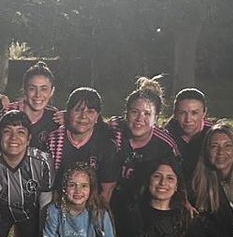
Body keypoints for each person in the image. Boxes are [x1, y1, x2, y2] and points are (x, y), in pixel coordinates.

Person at [108, 76, 181, 204]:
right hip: (108, 198)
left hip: (144, 203)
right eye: (134, 112)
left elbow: (176, 179)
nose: (139, 119)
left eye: (147, 114)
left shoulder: (166, 145)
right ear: (126, 113)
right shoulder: (113, 128)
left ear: (156, 118)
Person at [44, 87, 119, 201]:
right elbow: (47, 186)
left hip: (92, 205)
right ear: (68, 112)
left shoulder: (107, 146)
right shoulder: (53, 140)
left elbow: (106, 192)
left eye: (90, 112)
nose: (83, 116)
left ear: (97, 117)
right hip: (57, 203)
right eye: (78, 110)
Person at [0, 61, 60, 152]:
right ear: (25, 90)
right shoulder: (7, 112)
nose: (38, 95)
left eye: (44, 89)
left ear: (52, 91)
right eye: (32, 88)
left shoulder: (55, 118)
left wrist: (68, 120)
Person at [166, 88, 212, 186]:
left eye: (194, 113)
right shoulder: (166, 136)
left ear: (204, 113)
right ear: (175, 113)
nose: (188, 119)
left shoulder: (214, 134)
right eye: (182, 113)